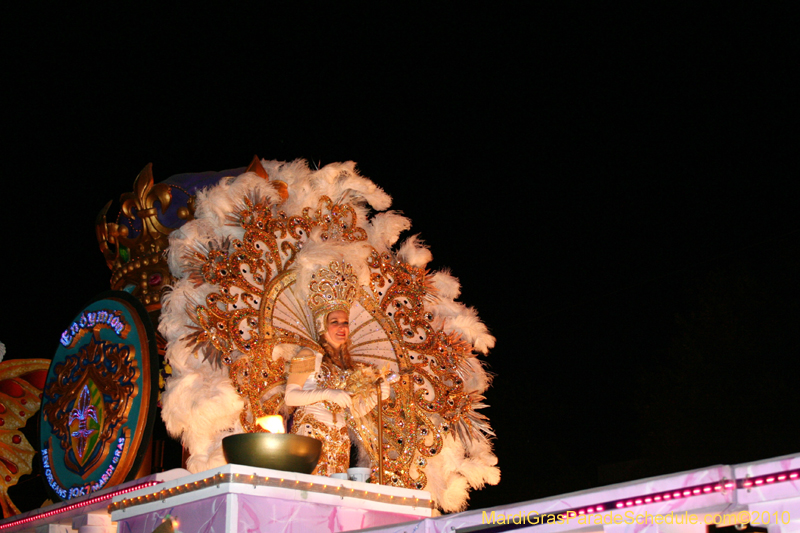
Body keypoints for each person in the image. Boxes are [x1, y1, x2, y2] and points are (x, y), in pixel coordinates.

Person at [284, 309, 389, 476]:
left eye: (345, 322)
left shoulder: (348, 368)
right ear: (322, 325)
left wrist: (375, 397)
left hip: (339, 440)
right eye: (334, 322)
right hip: (312, 433)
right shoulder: (308, 354)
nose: (342, 327)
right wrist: (327, 393)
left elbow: (352, 412)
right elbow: (290, 397)